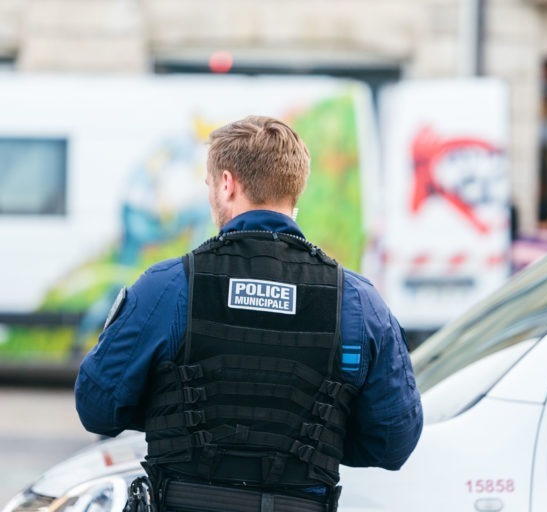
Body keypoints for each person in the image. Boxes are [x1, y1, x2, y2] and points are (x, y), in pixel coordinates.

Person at [75, 115, 424, 512]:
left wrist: (168, 412)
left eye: (209, 186)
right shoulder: (358, 302)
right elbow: (394, 441)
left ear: (227, 183)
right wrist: (315, 440)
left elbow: (97, 407)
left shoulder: (168, 286)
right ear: (295, 189)